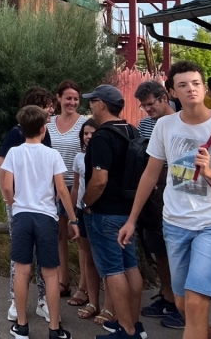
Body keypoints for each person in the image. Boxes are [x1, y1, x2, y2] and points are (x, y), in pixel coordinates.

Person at [119, 60, 211, 339]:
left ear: (204, 87)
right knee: (182, 303)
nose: (191, 89)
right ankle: (210, 335)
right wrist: (132, 219)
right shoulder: (165, 126)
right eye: (182, 85)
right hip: (174, 223)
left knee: (195, 302)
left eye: (196, 83)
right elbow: (149, 175)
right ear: (172, 92)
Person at [1, 104, 79, 339]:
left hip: (22, 216)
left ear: (22, 129)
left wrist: (15, 204)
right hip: (46, 217)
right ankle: (54, 329)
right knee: (51, 274)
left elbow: (6, 186)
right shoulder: (52, 155)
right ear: (44, 129)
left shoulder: (14, 152)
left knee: (22, 272)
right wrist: (73, 219)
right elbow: (62, 191)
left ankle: (22, 326)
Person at [80, 84, 145, 339]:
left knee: (112, 270)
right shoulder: (132, 130)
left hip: (106, 211)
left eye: (92, 101)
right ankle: (134, 324)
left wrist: (85, 204)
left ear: (102, 104)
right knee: (130, 265)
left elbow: (99, 180)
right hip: (129, 211)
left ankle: (126, 330)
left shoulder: (103, 137)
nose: (90, 106)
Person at [0, 87, 55, 324]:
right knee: (20, 256)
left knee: (44, 256)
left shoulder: (46, 134)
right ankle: (15, 300)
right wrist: (8, 199)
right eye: (47, 105)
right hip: (20, 204)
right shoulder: (16, 133)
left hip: (43, 205)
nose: (52, 109)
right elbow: (1, 163)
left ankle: (43, 300)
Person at [133, 79, 180, 327]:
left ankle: (182, 305)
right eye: (144, 106)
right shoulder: (146, 125)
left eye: (150, 104)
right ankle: (167, 295)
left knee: (176, 252)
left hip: (172, 193)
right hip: (152, 196)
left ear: (164, 98)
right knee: (158, 248)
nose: (147, 110)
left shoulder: (179, 123)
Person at [47, 80, 88, 297]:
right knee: (59, 233)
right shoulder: (49, 122)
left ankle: (83, 287)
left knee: (79, 234)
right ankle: (64, 281)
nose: (72, 102)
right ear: (59, 98)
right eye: (68, 98)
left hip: (76, 185)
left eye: (75, 98)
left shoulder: (85, 123)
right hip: (53, 185)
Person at [70, 120, 108, 321]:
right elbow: (76, 186)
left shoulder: (104, 155)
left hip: (101, 210)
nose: (88, 136)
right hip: (82, 209)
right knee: (87, 255)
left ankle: (109, 306)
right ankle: (93, 301)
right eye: (85, 133)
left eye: (92, 133)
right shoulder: (79, 158)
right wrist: (73, 213)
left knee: (104, 258)